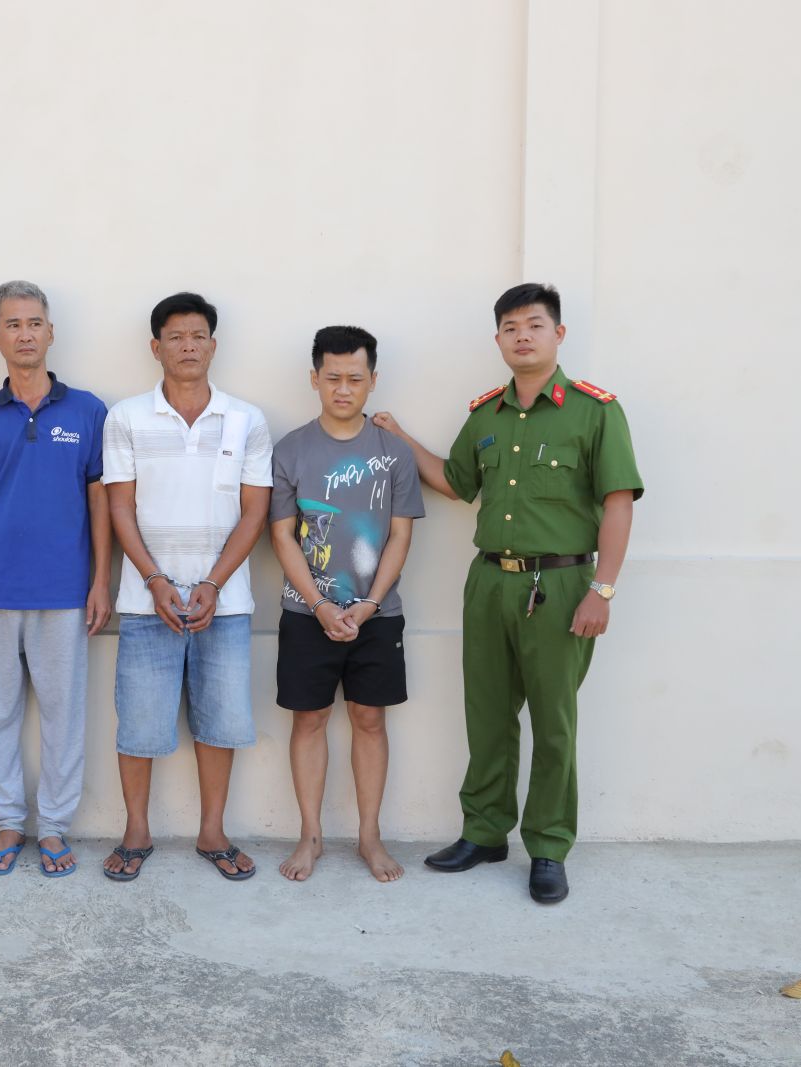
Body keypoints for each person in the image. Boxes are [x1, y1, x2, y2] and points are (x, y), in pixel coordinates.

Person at [373, 282, 643, 903]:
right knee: (488, 715)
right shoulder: (485, 416)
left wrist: (602, 589)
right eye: (511, 328)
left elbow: (618, 503)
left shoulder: (595, 412)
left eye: (535, 325)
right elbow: (455, 482)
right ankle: (484, 832)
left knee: (553, 722)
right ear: (497, 339)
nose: (523, 336)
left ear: (558, 334)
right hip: (490, 581)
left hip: (563, 583)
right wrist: (400, 436)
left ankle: (548, 846)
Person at [99, 292, 272, 882]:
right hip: (146, 602)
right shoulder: (125, 417)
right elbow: (119, 507)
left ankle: (212, 832)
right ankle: (136, 832)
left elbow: (255, 512)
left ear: (213, 345)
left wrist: (214, 584)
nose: (188, 346)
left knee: (220, 724)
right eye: (175, 337)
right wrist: (154, 580)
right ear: (157, 347)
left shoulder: (246, 420)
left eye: (198, 336)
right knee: (139, 725)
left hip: (225, 603)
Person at [0, 280, 111, 877]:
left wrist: (100, 581)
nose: (25, 334)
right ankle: (8, 822)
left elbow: (100, 503)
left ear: (50, 332)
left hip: (65, 592)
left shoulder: (88, 411)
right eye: (13, 324)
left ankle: (54, 827)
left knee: (63, 715)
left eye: (34, 323)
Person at [270, 326, 422, 883]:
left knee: (370, 720)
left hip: (377, 614)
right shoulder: (290, 449)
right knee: (309, 719)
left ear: (372, 381)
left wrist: (370, 604)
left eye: (355, 378)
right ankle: (310, 836)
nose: (343, 388)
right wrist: (318, 606)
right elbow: (282, 535)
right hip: (305, 611)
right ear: (314, 379)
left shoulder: (394, 452)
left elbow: (401, 535)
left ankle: (369, 837)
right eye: (332, 377)